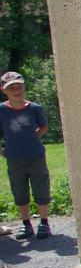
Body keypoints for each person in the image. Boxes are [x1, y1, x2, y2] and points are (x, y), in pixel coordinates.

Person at [0, 71, 51, 240]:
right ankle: (26, 224)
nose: (16, 91)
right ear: (3, 90)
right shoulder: (2, 110)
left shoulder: (34, 108)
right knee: (20, 191)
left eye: (19, 87)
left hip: (35, 156)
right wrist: (3, 150)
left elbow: (43, 126)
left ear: (24, 87)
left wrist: (32, 138)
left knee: (40, 188)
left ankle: (44, 223)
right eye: (11, 88)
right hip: (14, 158)